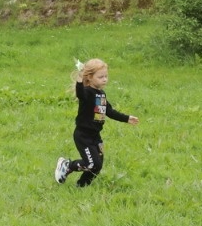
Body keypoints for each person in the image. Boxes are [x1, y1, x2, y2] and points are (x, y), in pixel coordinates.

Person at [55, 58, 139, 187]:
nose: (105, 79)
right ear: (89, 77)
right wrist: (79, 78)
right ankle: (68, 165)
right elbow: (80, 93)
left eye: (106, 76)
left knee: (97, 166)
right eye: (101, 77)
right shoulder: (87, 92)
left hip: (95, 136)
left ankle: (81, 186)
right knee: (92, 163)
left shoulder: (101, 94)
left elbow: (109, 111)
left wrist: (127, 118)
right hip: (83, 135)